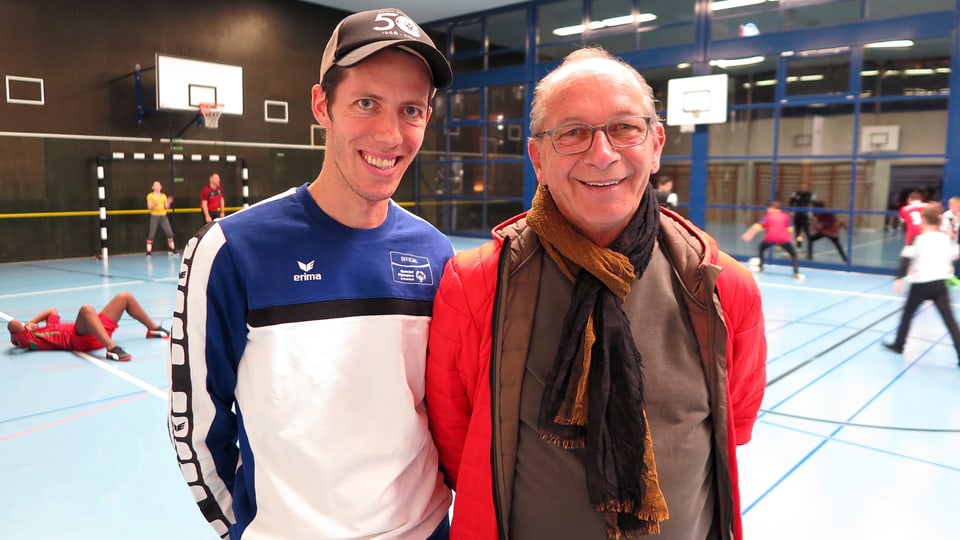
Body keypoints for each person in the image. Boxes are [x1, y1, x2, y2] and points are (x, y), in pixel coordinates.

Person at [425, 47, 766, 540]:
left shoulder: (721, 285)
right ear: (538, 157)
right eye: (572, 133)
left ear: (656, 145)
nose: (602, 153)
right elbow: (459, 444)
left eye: (624, 128)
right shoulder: (475, 284)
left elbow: (733, 423)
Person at [167, 8, 454, 540]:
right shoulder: (231, 251)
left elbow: (446, 413)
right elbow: (198, 426)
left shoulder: (437, 256)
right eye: (366, 103)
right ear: (322, 104)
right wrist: (252, 528)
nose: (391, 134)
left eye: (411, 110)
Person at [883, 202, 960, 365]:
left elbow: (906, 257)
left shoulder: (919, 239)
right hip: (940, 285)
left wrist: (899, 278)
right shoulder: (945, 239)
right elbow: (954, 254)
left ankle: (899, 345)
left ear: (924, 219)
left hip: (921, 284)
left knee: (907, 315)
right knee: (950, 320)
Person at [7, 291, 169, 362]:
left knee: (124, 297)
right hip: (80, 340)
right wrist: (17, 333)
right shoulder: (29, 340)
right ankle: (112, 349)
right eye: (18, 333)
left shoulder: (46, 328)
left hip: (95, 329)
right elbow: (12, 324)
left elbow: (52, 310)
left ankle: (152, 328)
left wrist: (32, 322)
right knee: (86, 309)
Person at [742, 199, 803, 279]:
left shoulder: (768, 216)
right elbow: (790, 230)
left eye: (768, 207)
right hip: (783, 239)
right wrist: (792, 240)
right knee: (794, 254)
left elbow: (757, 227)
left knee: (761, 248)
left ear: (772, 207)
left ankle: (760, 267)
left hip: (770, 238)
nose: (767, 209)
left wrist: (749, 234)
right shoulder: (786, 216)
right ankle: (796, 273)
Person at [146, 180, 176, 255]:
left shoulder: (163, 196)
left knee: (169, 233)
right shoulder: (150, 195)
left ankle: (172, 250)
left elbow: (166, 207)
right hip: (154, 216)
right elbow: (149, 207)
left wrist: (168, 202)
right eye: (155, 185)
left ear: (161, 187)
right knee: (151, 234)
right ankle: (148, 252)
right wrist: (154, 204)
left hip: (163, 216)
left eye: (158, 185)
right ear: (153, 187)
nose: (157, 187)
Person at [940, 196, 960, 279]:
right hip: (945, 242)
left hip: (954, 242)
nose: (957, 208)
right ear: (950, 206)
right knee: (946, 260)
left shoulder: (959, 215)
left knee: (953, 258)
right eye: (956, 206)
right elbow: (940, 229)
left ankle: (950, 276)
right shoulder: (946, 216)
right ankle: (946, 277)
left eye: (959, 206)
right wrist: (948, 233)